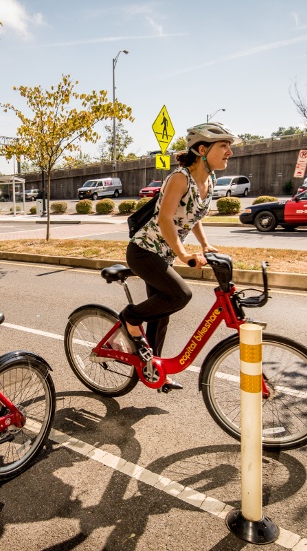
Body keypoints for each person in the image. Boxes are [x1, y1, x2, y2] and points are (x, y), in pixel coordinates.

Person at [119, 122, 240, 389]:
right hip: (144, 251)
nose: (229, 151)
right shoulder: (179, 177)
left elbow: (192, 216)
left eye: (229, 146)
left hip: (163, 255)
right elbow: (164, 219)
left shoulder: (208, 180)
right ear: (201, 149)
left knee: (162, 313)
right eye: (223, 146)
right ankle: (129, 317)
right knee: (180, 295)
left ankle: (153, 367)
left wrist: (205, 245)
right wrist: (185, 254)